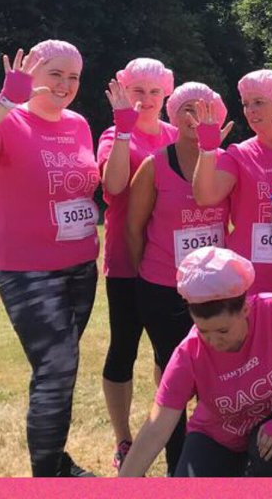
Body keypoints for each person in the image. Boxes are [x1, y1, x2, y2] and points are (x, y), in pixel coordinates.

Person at [0, 43, 99, 477]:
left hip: (81, 266)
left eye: (73, 76)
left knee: (61, 368)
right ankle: (47, 474)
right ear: (33, 74)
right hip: (27, 269)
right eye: (55, 74)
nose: (65, 84)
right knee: (57, 368)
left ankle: (57, 461)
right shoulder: (10, 120)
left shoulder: (79, 124)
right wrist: (5, 100)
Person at [119, 247, 272, 477]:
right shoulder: (188, 354)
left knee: (269, 458)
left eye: (223, 330)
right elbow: (156, 430)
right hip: (219, 436)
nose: (213, 341)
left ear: (245, 308)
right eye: (203, 331)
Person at [126, 82, 231, 474]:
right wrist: (149, 275)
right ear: (173, 115)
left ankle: (215, 455)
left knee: (216, 371)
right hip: (162, 287)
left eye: (205, 109)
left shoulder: (227, 161)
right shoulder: (154, 164)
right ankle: (177, 462)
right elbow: (134, 228)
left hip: (215, 288)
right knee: (173, 375)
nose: (196, 117)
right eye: (188, 109)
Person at [96, 58, 178, 471]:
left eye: (154, 92)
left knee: (170, 353)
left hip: (170, 264)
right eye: (137, 92)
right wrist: (124, 130)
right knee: (123, 349)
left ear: (166, 95)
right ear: (124, 94)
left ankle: (167, 429)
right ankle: (124, 439)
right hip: (126, 263)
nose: (146, 100)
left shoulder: (175, 135)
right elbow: (112, 187)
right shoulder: (113, 135)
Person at [191, 69, 272, 318]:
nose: (250, 111)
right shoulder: (240, 154)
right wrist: (207, 151)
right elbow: (206, 196)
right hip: (250, 284)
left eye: (259, 102)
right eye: (246, 104)